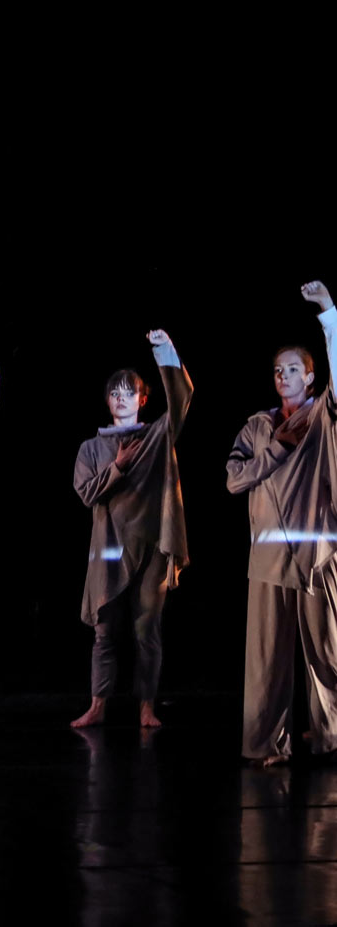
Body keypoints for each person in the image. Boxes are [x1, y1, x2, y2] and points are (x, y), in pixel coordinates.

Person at [227, 280, 337, 766]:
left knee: (327, 652)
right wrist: (276, 449)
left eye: (293, 370)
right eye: (278, 371)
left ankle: (330, 732)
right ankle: (267, 742)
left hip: (317, 553)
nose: (283, 376)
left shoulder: (324, 417)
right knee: (267, 660)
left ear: (310, 378)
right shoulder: (259, 425)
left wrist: (329, 314)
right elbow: (234, 479)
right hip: (269, 556)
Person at [69, 330, 191, 730]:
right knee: (105, 633)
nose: (121, 398)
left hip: (152, 548)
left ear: (142, 399)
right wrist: (118, 465)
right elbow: (87, 493)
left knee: (146, 630)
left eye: (129, 392)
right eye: (114, 393)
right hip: (108, 549)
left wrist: (165, 351)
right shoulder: (91, 448)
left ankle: (146, 706)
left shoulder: (157, 435)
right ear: (107, 401)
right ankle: (98, 704)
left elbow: (181, 400)